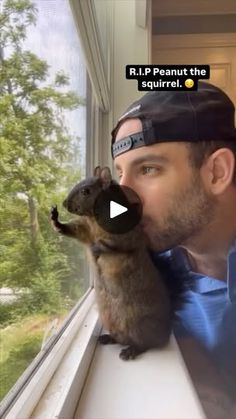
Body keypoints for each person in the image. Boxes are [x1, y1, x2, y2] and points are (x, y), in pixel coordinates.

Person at [111, 81, 236, 418]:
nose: (122, 199)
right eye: (120, 174)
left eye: (148, 169)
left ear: (217, 172)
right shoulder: (146, 269)